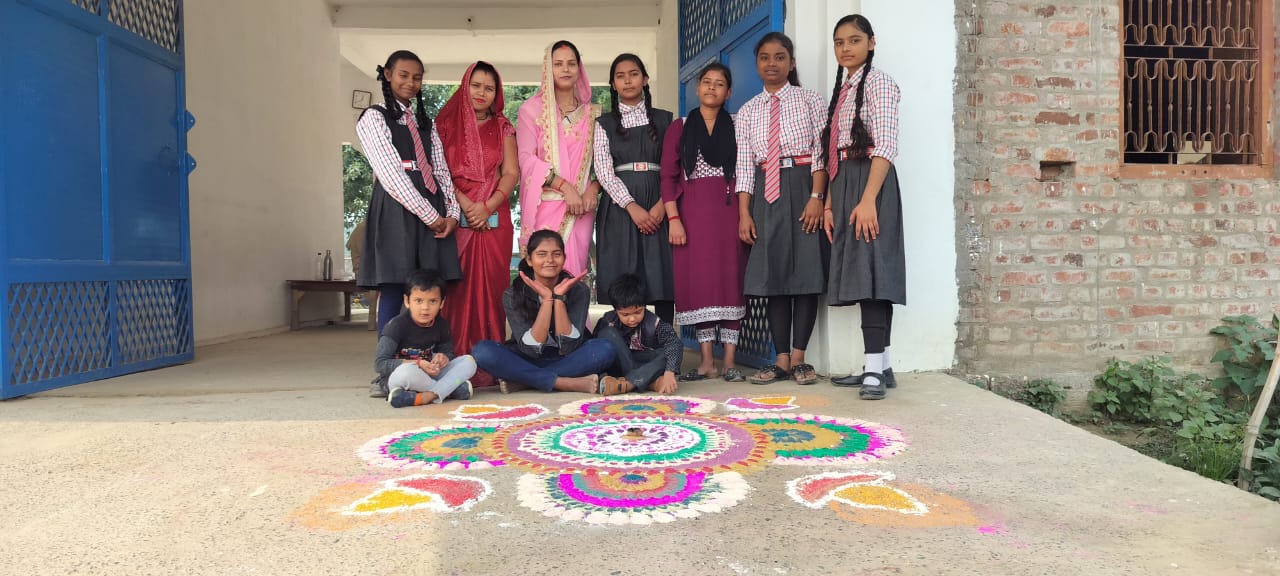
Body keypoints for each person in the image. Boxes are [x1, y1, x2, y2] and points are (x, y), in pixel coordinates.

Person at [734, 32, 830, 386]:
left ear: (791, 62)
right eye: (764, 57)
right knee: (773, 276)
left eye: (779, 57)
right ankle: (781, 359)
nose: (771, 64)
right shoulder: (746, 111)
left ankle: (802, 358)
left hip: (804, 184)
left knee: (804, 273)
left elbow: (822, 152)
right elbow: (744, 167)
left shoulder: (811, 101)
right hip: (765, 191)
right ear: (757, 63)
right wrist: (745, 212)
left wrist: (817, 197)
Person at [821, 15, 905, 400]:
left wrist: (868, 198)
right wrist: (828, 202)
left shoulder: (880, 83)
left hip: (871, 179)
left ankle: (873, 369)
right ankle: (881, 365)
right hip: (845, 181)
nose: (846, 48)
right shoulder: (844, 89)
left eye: (854, 40)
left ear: (872, 43)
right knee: (862, 270)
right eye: (839, 42)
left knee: (872, 271)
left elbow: (885, 143)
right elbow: (831, 150)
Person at [356, 50, 462, 348]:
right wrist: (430, 216)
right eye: (404, 75)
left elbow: (440, 170)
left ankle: (427, 356)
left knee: (430, 288)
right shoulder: (373, 118)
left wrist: (452, 213)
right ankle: (388, 364)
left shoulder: (426, 124)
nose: (411, 83)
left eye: (417, 78)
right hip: (396, 210)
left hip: (435, 210)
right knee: (394, 287)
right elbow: (391, 174)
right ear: (388, 75)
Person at [660, 62, 747, 383]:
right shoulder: (679, 128)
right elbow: (668, 177)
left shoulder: (739, 125)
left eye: (719, 83)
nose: (711, 88)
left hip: (730, 218)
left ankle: (729, 361)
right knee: (697, 284)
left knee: (730, 281)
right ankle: (706, 361)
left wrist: (746, 216)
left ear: (728, 92)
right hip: (691, 220)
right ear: (696, 88)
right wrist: (673, 219)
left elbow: (747, 175)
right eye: (706, 82)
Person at [435, 61, 518, 388]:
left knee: (492, 291)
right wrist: (466, 205)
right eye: (476, 85)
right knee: (455, 290)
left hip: (494, 219)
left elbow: (511, 172)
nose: (482, 92)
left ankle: (490, 365)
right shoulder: (444, 125)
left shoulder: (503, 127)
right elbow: (438, 171)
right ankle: (451, 362)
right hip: (457, 216)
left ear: (496, 93)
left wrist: (488, 205)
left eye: (489, 87)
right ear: (465, 85)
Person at [471, 230, 615, 393]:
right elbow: (529, 348)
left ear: (564, 259)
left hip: (569, 358)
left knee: (605, 349)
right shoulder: (513, 294)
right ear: (529, 260)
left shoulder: (578, 290)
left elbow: (569, 346)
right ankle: (562, 382)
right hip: (527, 359)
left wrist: (559, 299)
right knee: (482, 351)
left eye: (556, 254)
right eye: (541, 254)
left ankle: (526, 381)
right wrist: (547, 301)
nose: (550, 260)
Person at [593, 53, 676, 324]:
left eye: (633, 74)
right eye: (620, 76)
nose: (628, 80)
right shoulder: (603, 125)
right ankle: (621, 346)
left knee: (661, 272)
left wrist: (664, 204)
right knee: (622, 270)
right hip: (619, 209)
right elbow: (604, 173)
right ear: (613, 85)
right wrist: (632, 207)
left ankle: (665, 345)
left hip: (659, 203)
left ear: (645, 79)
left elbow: (677, 166)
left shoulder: (666, 120)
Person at [515, 40, 601, 276]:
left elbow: (605, 162)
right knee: (545, 271)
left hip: (581, 209)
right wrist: (565, 188)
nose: (565, 69)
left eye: (571, 64)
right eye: (558, 64)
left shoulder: (594, 114)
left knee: (572, 276)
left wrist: (593, 189)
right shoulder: (530, 111)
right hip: (546, 205)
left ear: (579, 69)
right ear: (547, 68)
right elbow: (526, 160)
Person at [376, 270, 477, 408]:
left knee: (469, 362)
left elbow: (448, 352)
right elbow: (380, 364)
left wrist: (443, 358)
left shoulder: (441, 324)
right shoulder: (396, 326)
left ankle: (426, 397)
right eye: (418, 301)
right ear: (407, 301)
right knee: (407, 373)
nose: (425, 308)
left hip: (429, 374)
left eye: (433, 301)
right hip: (403, 376)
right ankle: (450, 390)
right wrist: (417, 363)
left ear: (442, 303)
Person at [594, 274, 683, 395]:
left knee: (669, 351)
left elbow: (673, 343)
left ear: (645, 306)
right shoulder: (608, 320)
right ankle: (650, 382)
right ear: (615, 310)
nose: (632, 319)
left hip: (644, 362)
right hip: (619, 365)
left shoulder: (655, 323)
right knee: (606, 334)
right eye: (625, 315)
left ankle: (628, 384)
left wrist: (669, 371)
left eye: (637, 312)